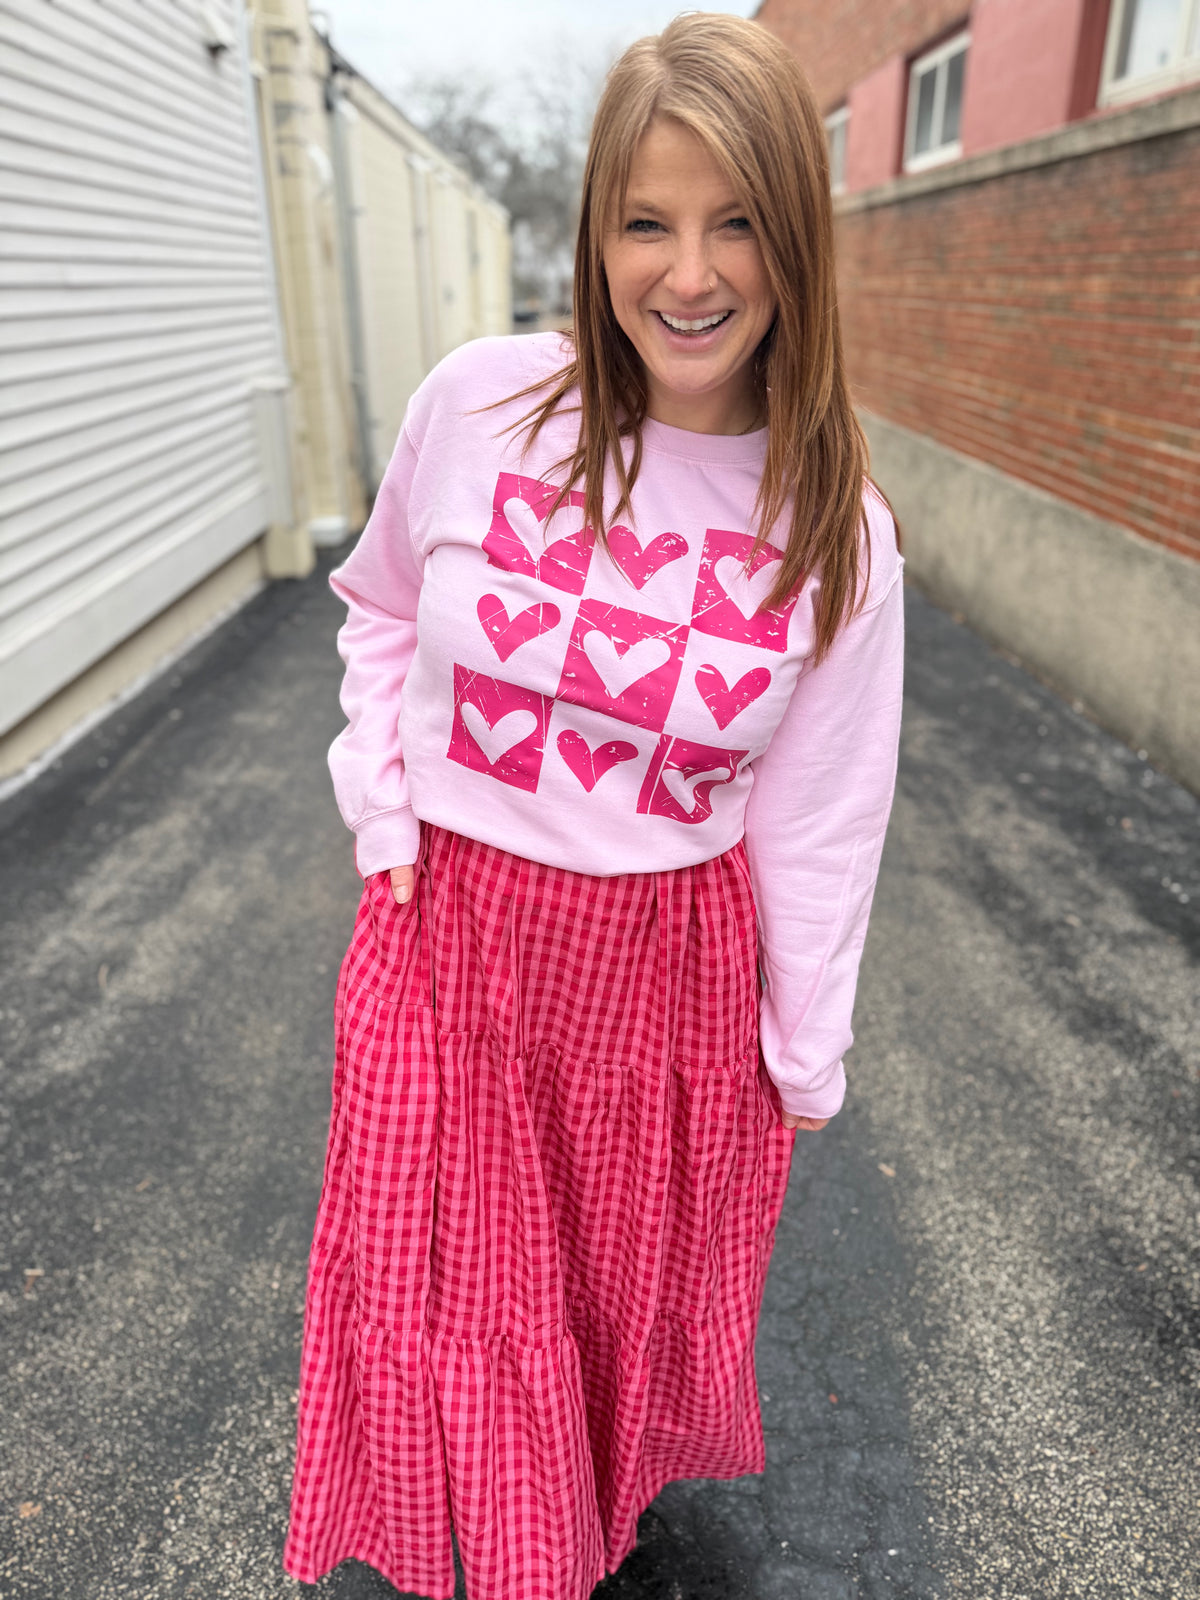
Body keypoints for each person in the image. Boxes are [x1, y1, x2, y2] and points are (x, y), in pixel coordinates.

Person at [283, 13, 904, 1600]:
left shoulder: (832, 527)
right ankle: (486, 1557)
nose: (687, 275)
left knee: (602, 1312)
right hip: (451, 940)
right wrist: (386, 810)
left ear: (796, 240)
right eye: (646, 221)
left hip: (661, 972)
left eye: (735, 221)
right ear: (594, 236)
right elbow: (374, 603)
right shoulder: (487, 406)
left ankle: (564, 1541)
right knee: (446, 1307)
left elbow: (824, 815)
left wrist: (803, 1046)